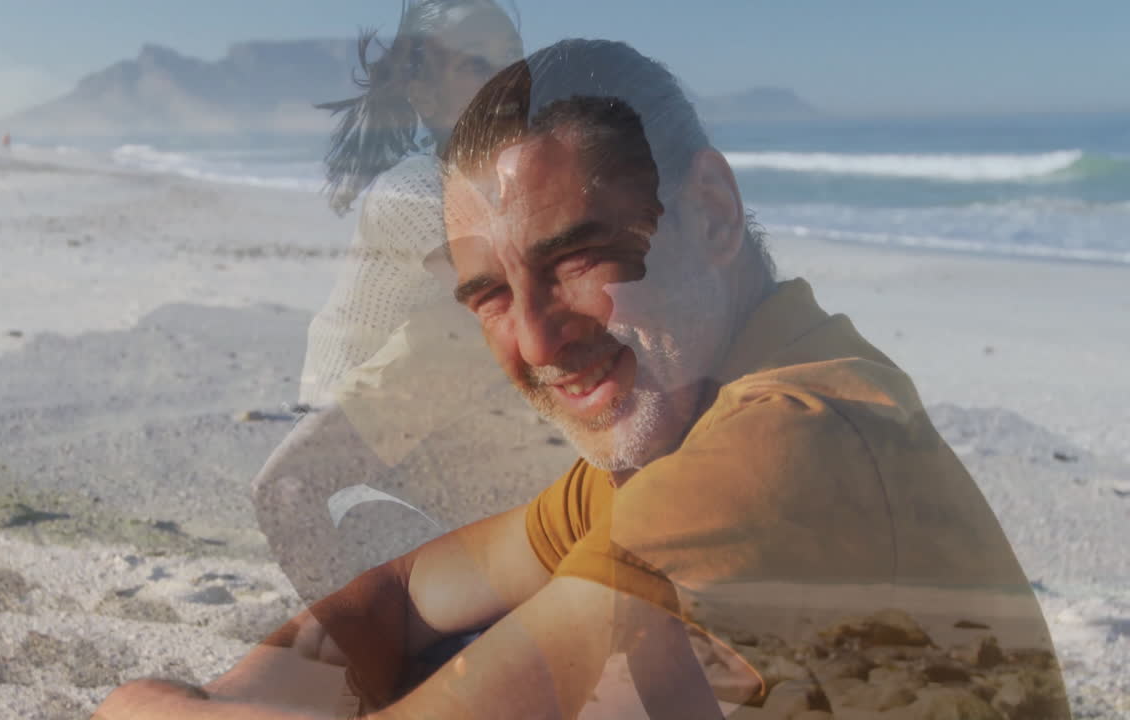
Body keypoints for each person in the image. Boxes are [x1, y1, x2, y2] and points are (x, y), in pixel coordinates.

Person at [95, 39, 1069, 720]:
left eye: (575, 259)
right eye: (486, 294)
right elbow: (401, 595)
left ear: (713, 215)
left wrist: (147, 708)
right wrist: (228, 704)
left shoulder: (783, 446)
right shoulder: (695, 416)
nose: (533, 338)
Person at [251, 0, 542, 609]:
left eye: (512, 59)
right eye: (474, 64)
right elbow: (505, 298)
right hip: (347, 448)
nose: (504, 79)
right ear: (424, 93)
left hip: (435, 416)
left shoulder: (506, 187)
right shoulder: (413, 191)